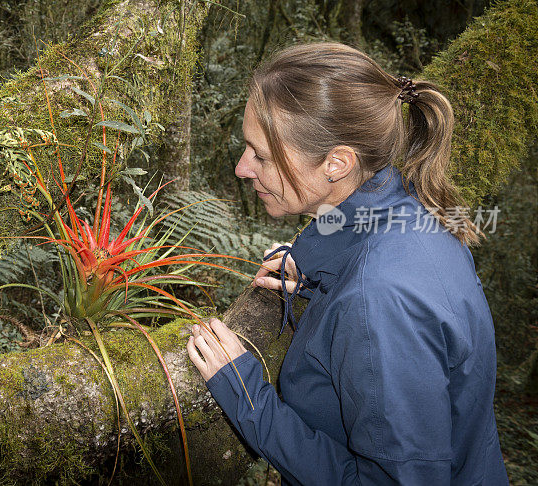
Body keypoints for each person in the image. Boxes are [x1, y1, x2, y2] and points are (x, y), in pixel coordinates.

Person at [186, 42, 509, 485]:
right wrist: (321, 280)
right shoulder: (413, 213)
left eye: (260, 155)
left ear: (337, 163)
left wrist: (248, 398)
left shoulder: (377, 302)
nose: (243, 168)